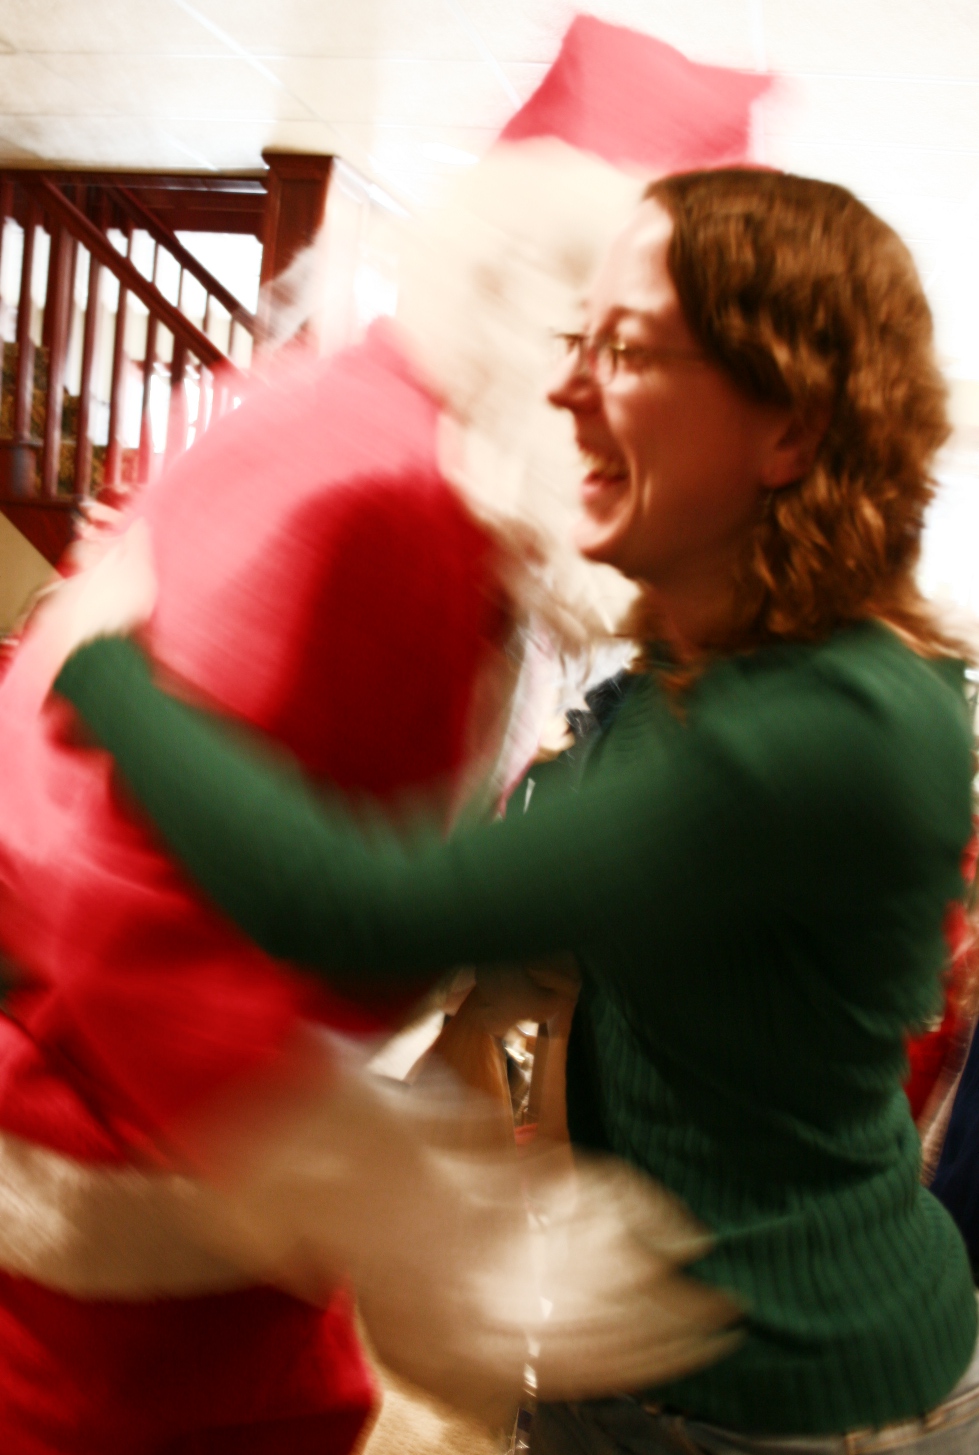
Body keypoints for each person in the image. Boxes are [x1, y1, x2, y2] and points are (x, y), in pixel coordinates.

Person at [49, 166, 979, 1450]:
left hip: (791, 1401)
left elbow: (357, 908)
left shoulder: (827, 726)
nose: (562, 389)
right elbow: (535, 942)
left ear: (791, 431)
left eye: (633, 351)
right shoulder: (696, 674)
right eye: (576, 342)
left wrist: (102, 660)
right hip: (648, 1376)